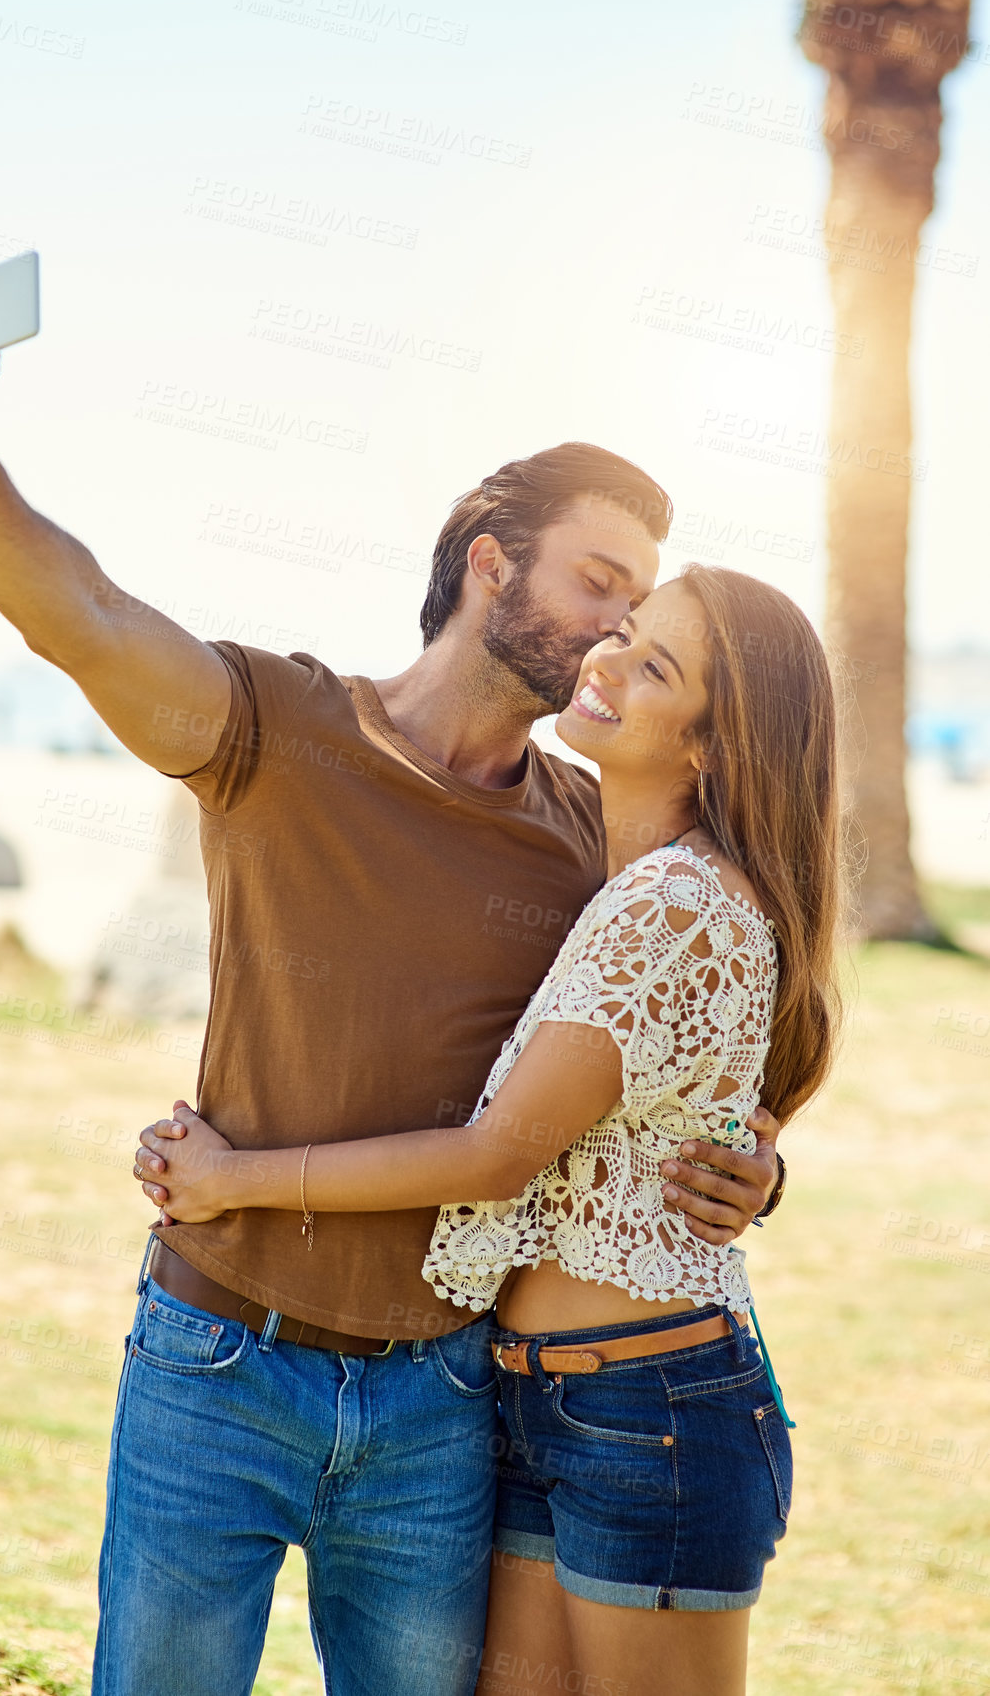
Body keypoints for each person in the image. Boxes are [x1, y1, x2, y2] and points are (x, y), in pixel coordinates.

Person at [0, 263, 782, 1696]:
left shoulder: (591, 840)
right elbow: (82, 615)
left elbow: (692, 1027)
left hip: (442, 1401)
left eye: (635, 611)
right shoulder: (274, 726)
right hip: (213, 1363)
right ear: (489, 558)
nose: (614, 630)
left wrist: (750, 1157)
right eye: (595, 583)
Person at [135, 564, 841, 1696]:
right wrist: (754, 1163)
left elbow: (496, 1150)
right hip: (529, 1397)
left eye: (651, 665)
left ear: (713, 747)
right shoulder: (611, 877)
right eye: (621, 630)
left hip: (644, 1411)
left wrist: (233, 1180)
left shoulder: (673, 903)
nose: (604, 659)